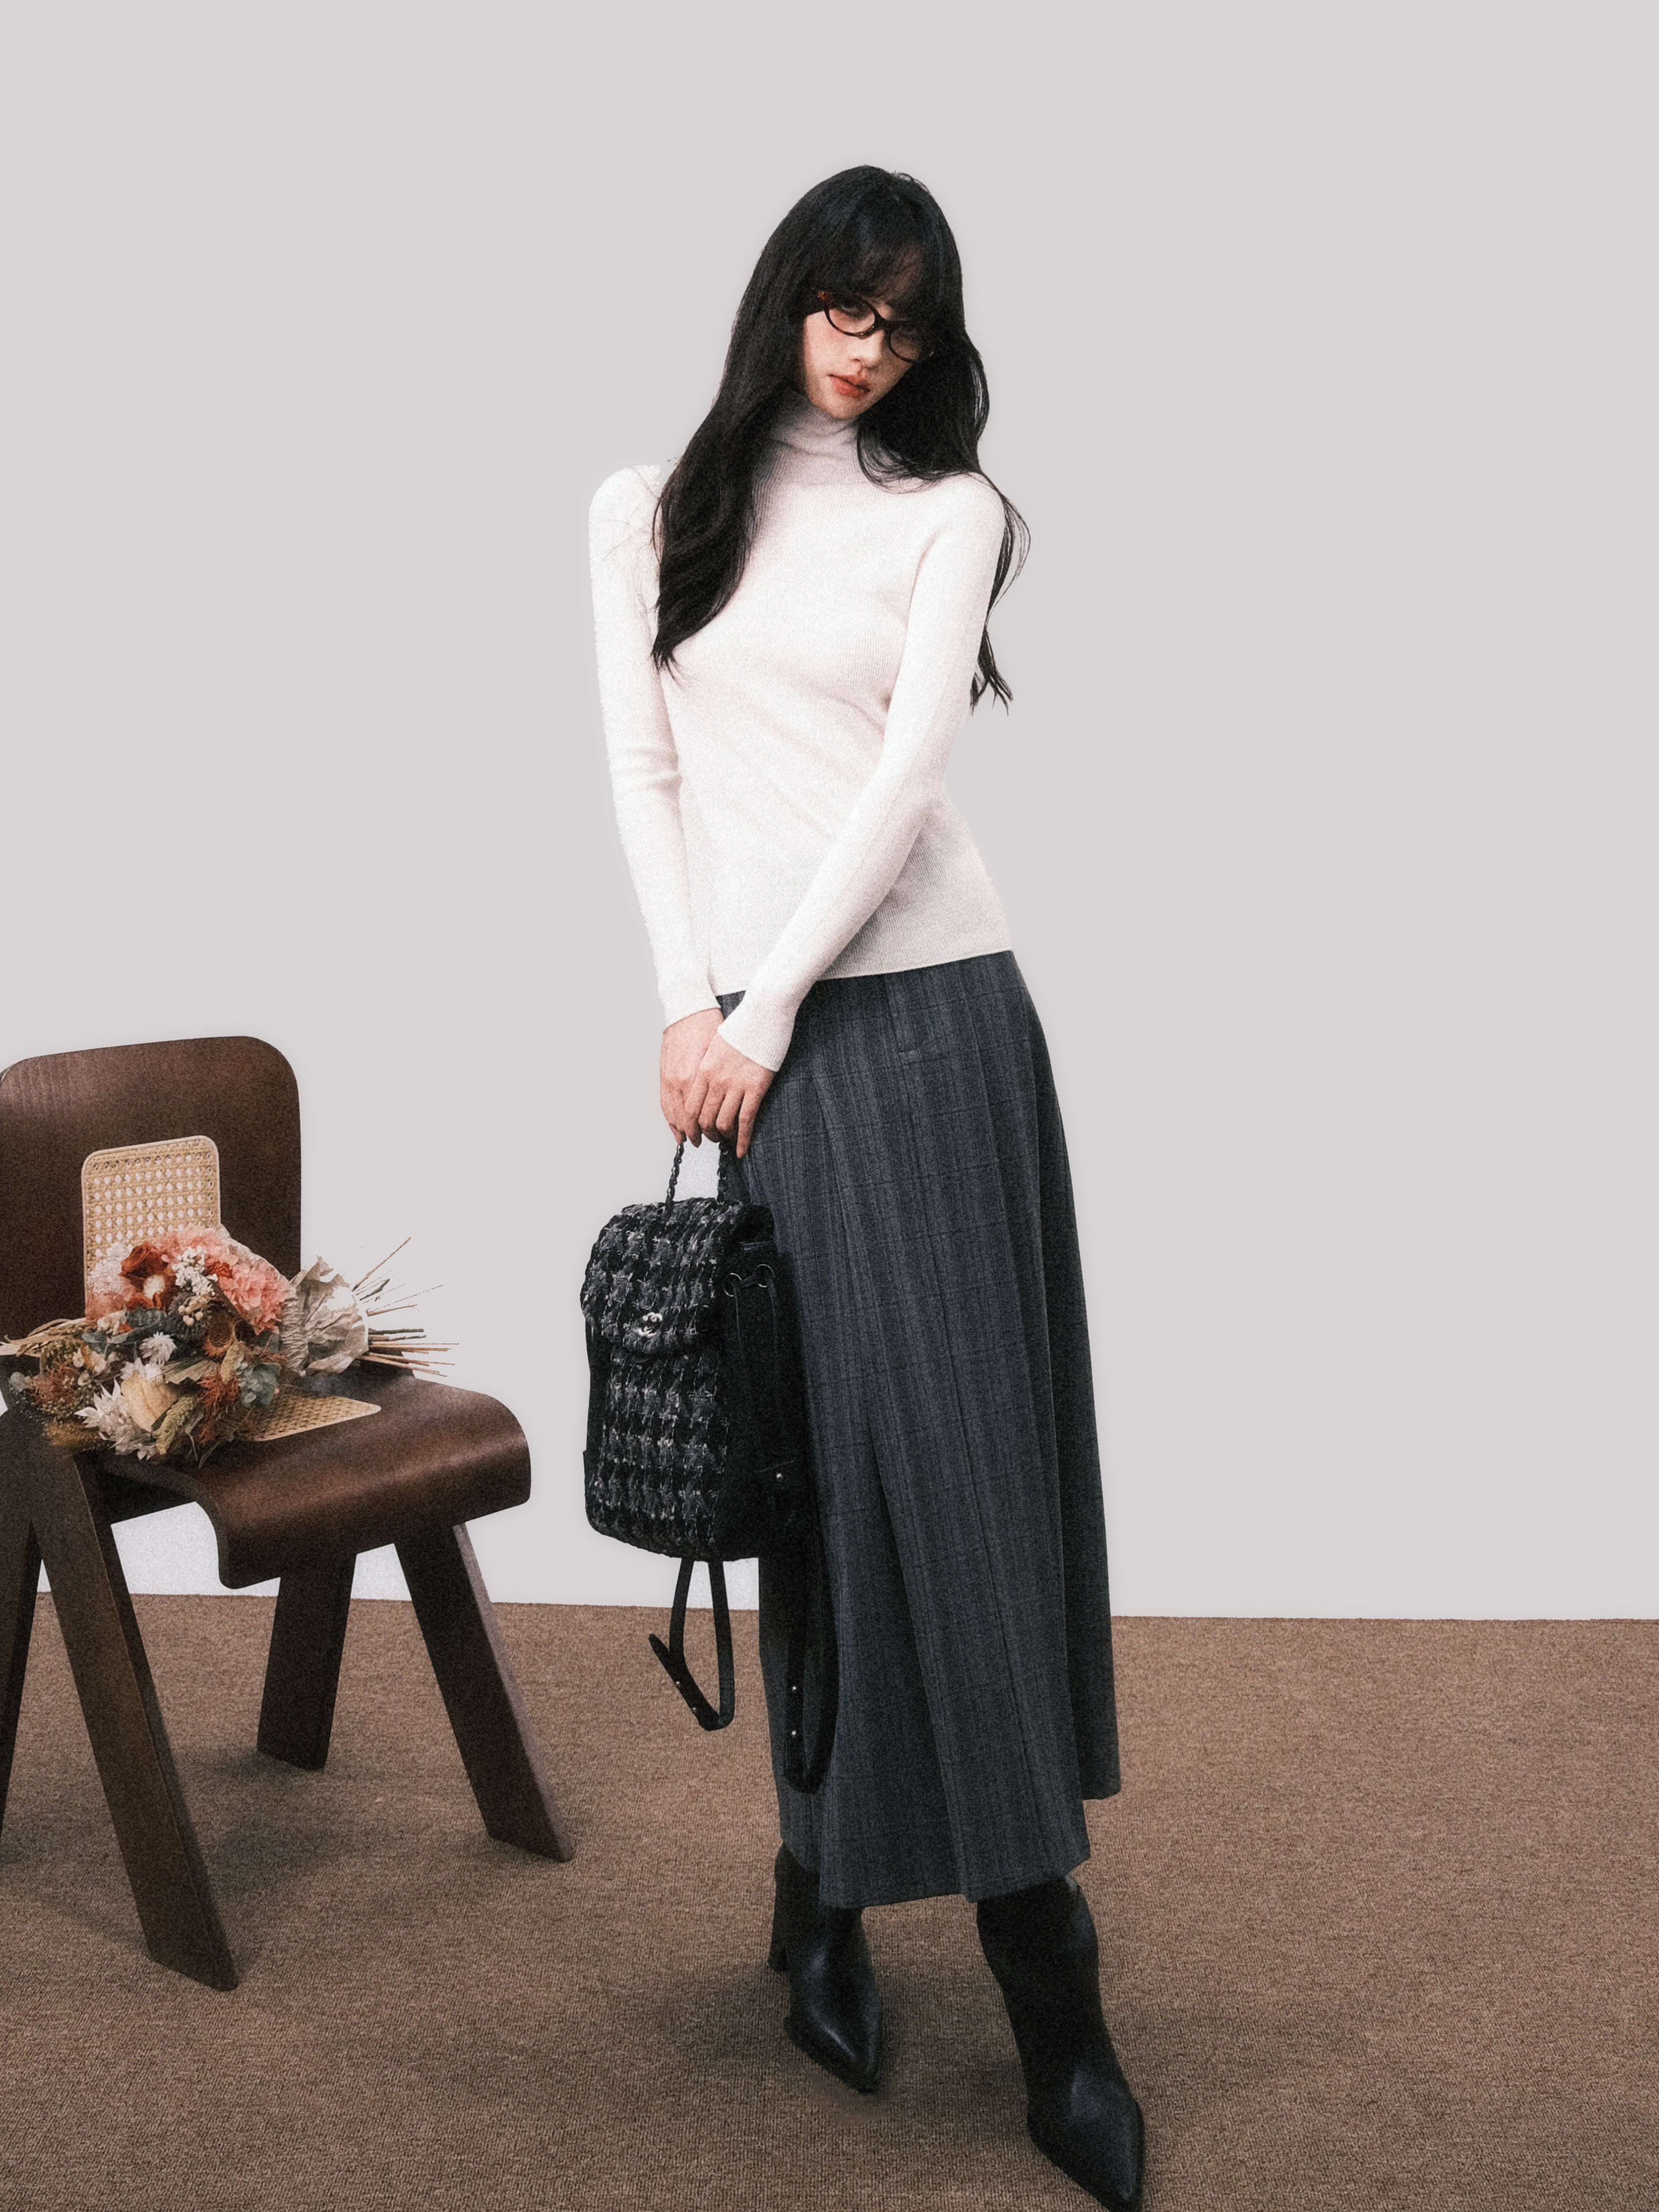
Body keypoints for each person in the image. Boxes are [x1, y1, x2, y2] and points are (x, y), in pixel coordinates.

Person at [587, 165, 1144, 2212]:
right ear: (787, 300)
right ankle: (818, 1889)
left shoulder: (950, 511)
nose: (869, 346)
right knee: (805, 1473)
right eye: (845, 306)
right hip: (749, 1043)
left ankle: (1053, 2000)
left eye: (905, 321)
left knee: (964, 1487)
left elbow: (909, 779)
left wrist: (761, 1012)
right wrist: (689, 1004)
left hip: (926, 1029)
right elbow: (645, 770)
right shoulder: (650, 510)